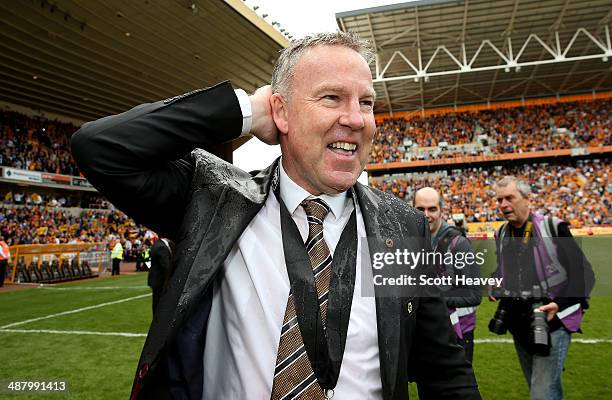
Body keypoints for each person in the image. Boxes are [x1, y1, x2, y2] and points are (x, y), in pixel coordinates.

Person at [72, 32, 480, 400]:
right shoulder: (214, 203)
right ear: (281, 113)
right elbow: (101, 149)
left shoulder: (403, 226)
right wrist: (246, 112)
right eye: (331, 98)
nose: (356, 119)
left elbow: (444, 372)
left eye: (366, 102)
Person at [490, 176, 595, 400]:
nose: (504, 205)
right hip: (519, 321)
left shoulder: (553, 227)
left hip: (553, 320)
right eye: (499, 200)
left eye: (510, 198)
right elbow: (503, 271)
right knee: (543, 389)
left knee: (542, 393)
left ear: (528, 199)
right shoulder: (501, 234)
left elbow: (584, 274)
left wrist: (561, 304)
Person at [414, 187, 481, 363]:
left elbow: (474, 294)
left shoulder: (458, 243)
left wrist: (432, 297)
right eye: (420, 209)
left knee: (459, 389)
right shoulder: (410, 243)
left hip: (458, 332)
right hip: (424, 331)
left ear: (441, 211)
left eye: (432, 209)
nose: (426, 214)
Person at [147, 238, 174, 315]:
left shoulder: (158, 244)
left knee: (157, 303)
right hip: (159, 281)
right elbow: (166, 266)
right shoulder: (161, 247)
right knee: (158, 304)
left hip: (157, 280)